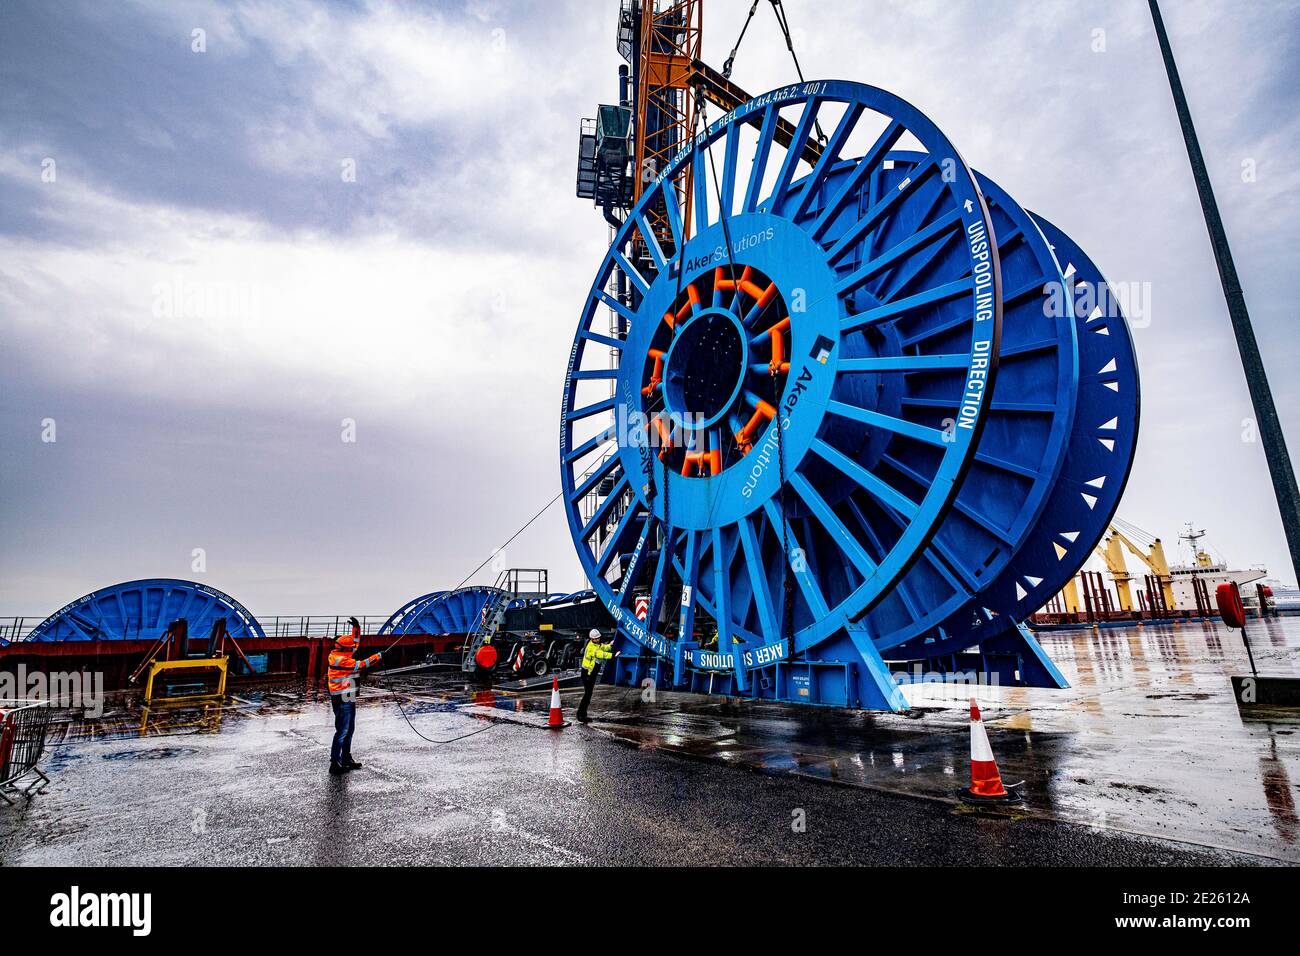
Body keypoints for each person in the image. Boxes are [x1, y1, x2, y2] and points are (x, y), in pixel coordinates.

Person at [327, 616, 382, 776]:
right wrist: (378, 656)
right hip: (341, 696)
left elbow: (355, 643)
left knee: (350, 729)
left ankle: (346, 758)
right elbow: (362, 664)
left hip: (348, 694)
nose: (354, 649)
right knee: (342, 730)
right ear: (344, 649)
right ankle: (334, 763)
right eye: (350, 648)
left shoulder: (343, 652)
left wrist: (356, 628)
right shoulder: (340, 660)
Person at [576, 628, 615, 723]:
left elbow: (604, 647)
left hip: (592, 673)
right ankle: (580, 715)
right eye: (596, 639)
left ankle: (583, 714)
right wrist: (613, 655)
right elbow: (600, 654)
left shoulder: (597, 644)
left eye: (598, 638)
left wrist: (610, 645)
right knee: (587, 695)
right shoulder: (591, 647)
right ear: (591, 639)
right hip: (587, 674)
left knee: (588, 694)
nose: (598, 640)